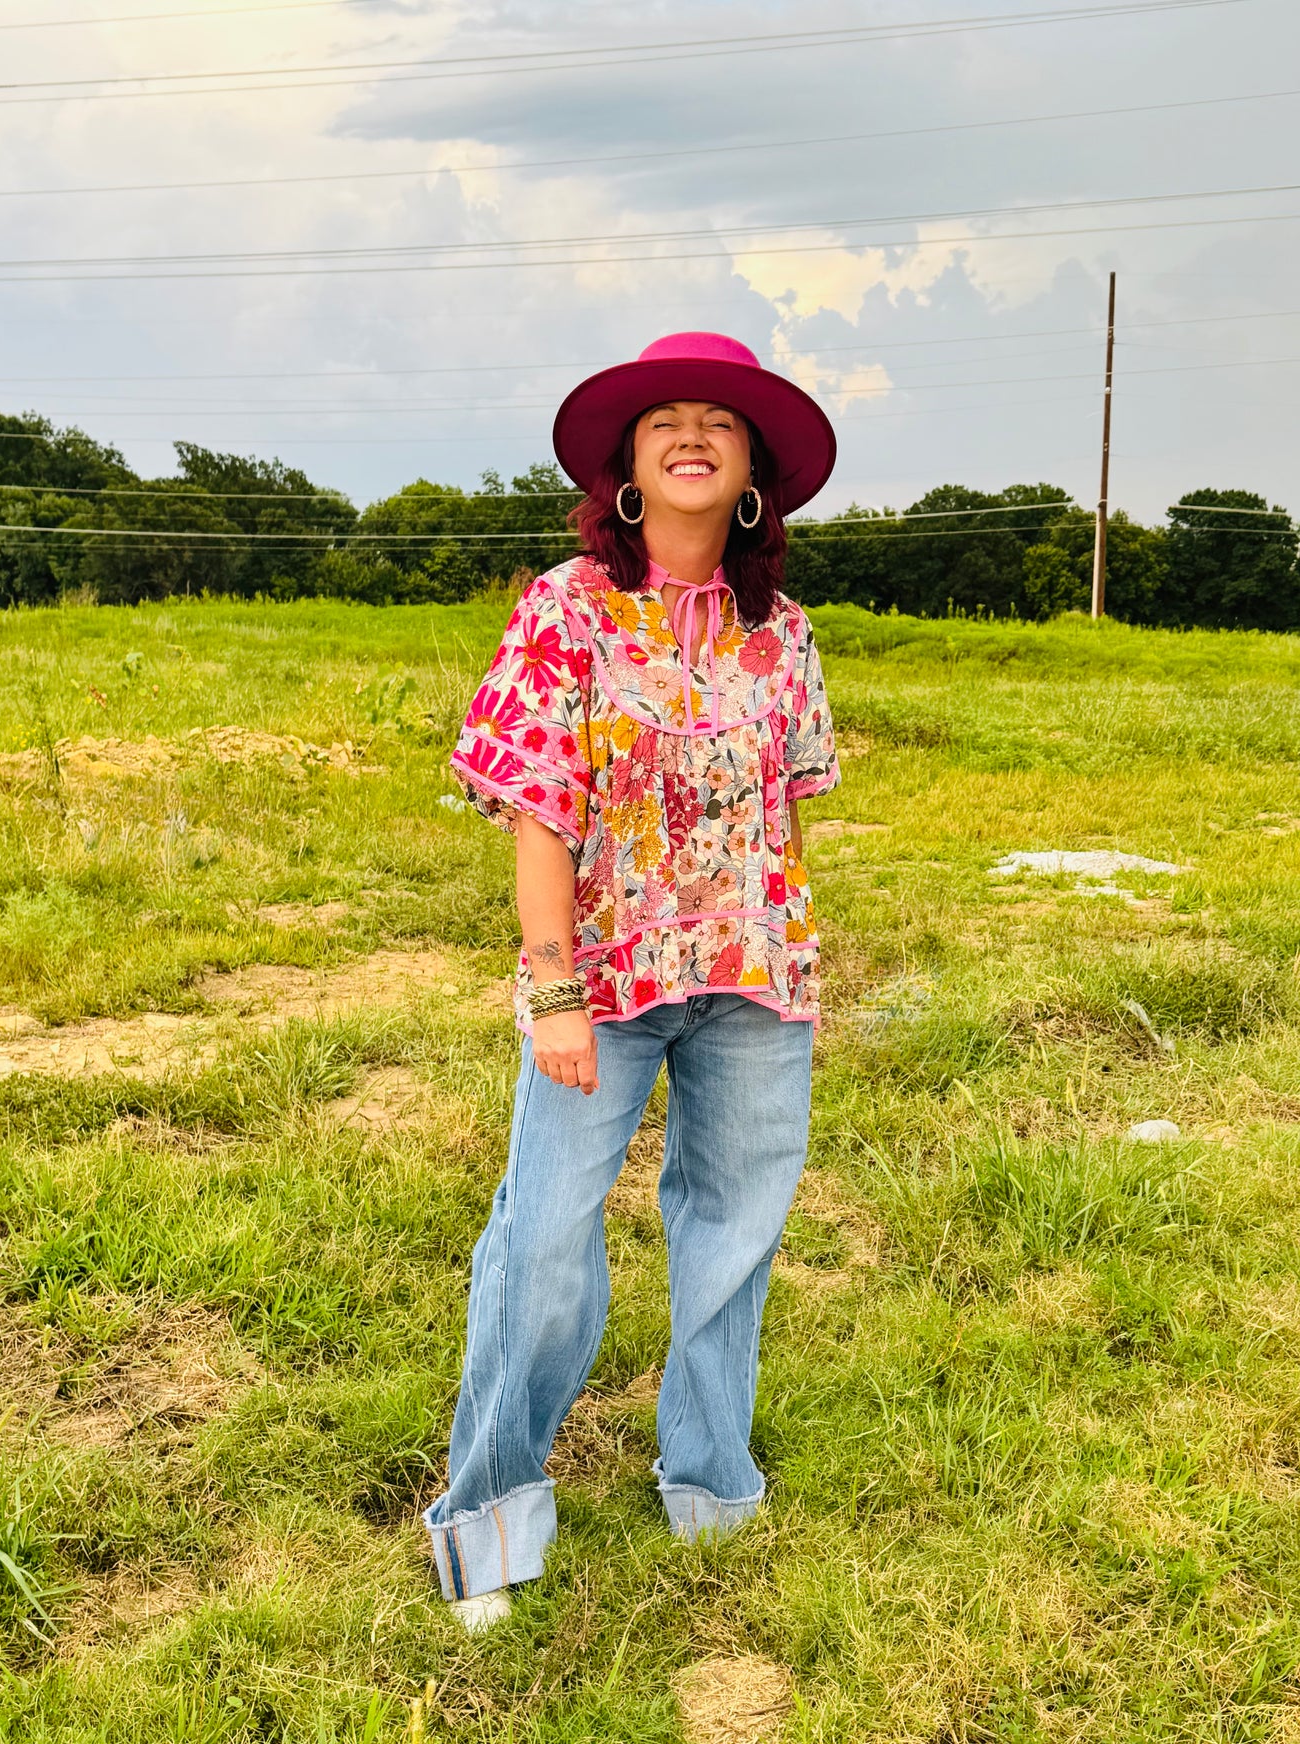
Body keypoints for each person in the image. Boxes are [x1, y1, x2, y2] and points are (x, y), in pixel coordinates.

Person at [423, 332, 841, 1630]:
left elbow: (784, 815)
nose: (692, 437)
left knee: (732, 1236)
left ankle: (711, 1487)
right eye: (665, 420)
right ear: (627, 465)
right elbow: (539, 813)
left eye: (721, 421)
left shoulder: (785, 635)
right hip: (600, 983)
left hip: (752, 985)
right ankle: (489, 1522)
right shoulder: (565, 611)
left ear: (754, 472)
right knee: (544, 1239)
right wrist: (552, 989)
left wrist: (776, 942)